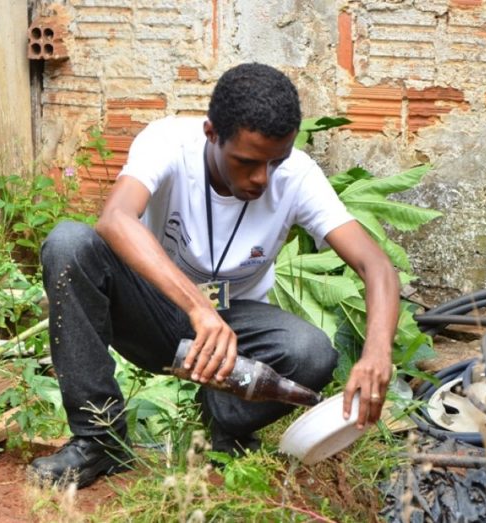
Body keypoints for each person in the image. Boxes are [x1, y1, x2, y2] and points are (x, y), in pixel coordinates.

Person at [29, 63, 399, 488]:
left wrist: (376, 354)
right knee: (68, 244)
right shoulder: (168, 141)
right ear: (211, 134)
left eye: (275, 161)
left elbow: (377, 265)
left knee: (311, 352)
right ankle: (99, 441)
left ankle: (224, 427)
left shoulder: (299, 176)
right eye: (246, 162)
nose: (261, 178)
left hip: (234, 326)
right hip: (150, 310)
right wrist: (197, 306)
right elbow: (114, 220)